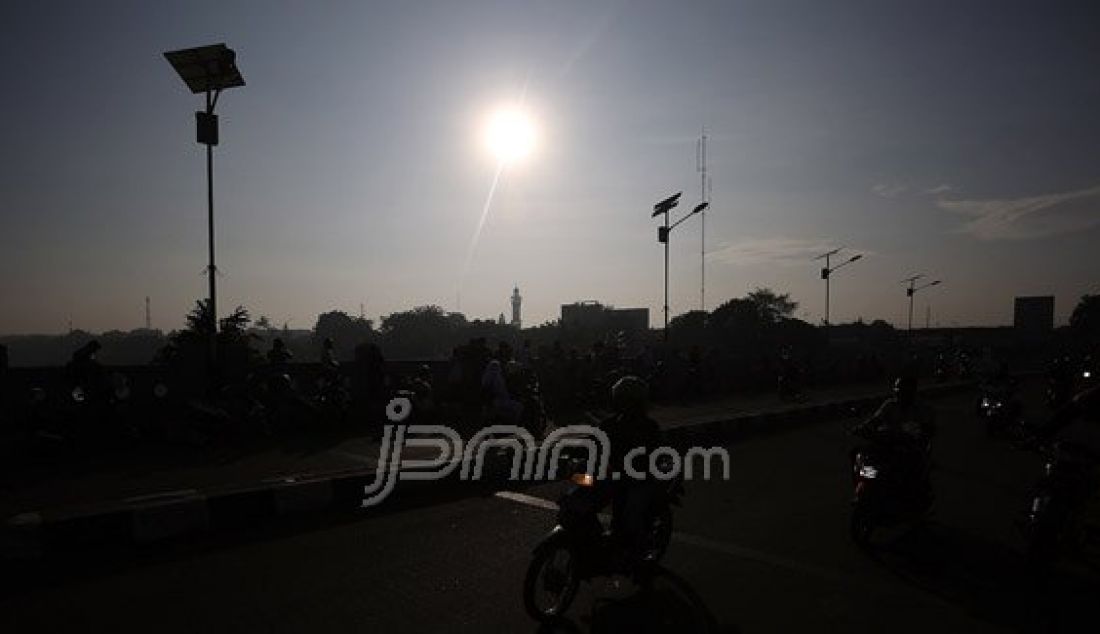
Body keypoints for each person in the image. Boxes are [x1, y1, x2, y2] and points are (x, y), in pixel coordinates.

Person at [596, 375, 663, 565]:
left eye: (628, 400)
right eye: (621, 400)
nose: (624, 405)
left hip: (640, 480)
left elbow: (655, 455)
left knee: (631, 516)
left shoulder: (649, 428)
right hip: (615, 476)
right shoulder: (608, 425)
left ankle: (643, 557)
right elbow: (591, 444)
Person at [851, 376, 936, 502]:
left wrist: (922, 433)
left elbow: (929, 427)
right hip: (888, 443)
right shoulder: (890, 405)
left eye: (904, 389)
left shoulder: (920, 408)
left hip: (909, 446)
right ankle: (861, 486)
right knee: (858, 455)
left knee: (914, 470)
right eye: (898, 388)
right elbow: (875, 420)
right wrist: (861, 428)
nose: (900, 392)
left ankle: (915, 498)